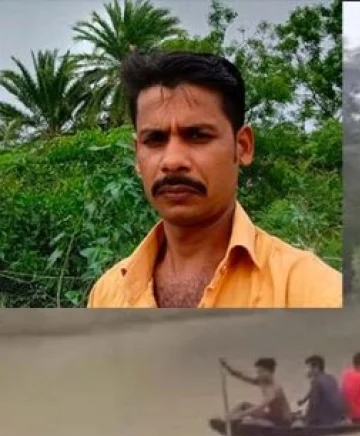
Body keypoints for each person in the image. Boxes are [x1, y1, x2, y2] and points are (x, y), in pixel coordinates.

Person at [86, 51, 341, 308]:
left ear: (242, 146)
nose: (172, 161)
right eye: (155, 140)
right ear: (137, 156)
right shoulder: (108, 294)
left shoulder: (312, 292)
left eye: (197, 136)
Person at [219, 357, 292, 427]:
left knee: (249, 421)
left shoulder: (275, 388)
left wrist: (240, 415)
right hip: (271, 416)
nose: (259, 374)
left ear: (270, 372)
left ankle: (234, 419)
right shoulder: (262, 382)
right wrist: (227, 367)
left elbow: (261, 406)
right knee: (243, 405)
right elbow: (241, 376)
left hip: (283, 420)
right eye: (258, 372)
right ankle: (227, 420)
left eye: (261, 371)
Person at [296, 355, 347, 426]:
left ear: (316, 368)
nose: (307, 370)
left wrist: (306, 421)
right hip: (339, 416)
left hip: (326, 420)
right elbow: (315, 392)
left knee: (299, 421)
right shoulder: (331, 378)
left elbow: (313, 404)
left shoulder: (316, 382)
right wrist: (304, 400)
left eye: (309, 367)